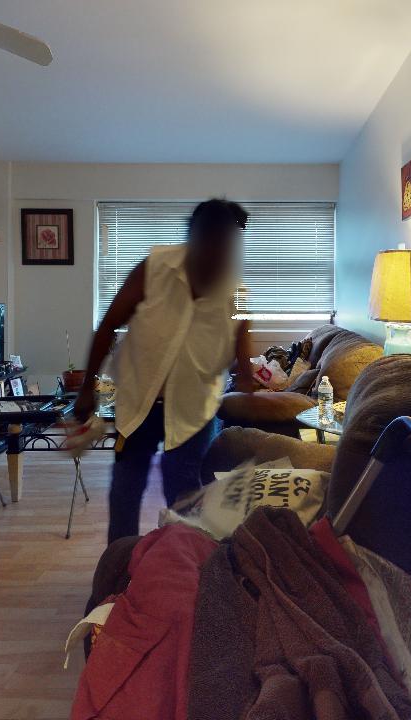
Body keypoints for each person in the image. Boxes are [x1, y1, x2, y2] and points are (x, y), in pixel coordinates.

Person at [74, 199, 254, 544]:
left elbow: (242, 336)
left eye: (227, 248)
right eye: (211, 245)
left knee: (184, 498)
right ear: (192, 239)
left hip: (195, 410)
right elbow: (110, 324)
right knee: (126, 489)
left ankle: (184, 568)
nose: (219, 257)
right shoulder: (153, 268)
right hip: (139, 401)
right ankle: (120, 567)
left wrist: (247, 378)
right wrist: (87, 388)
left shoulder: (239, 290)